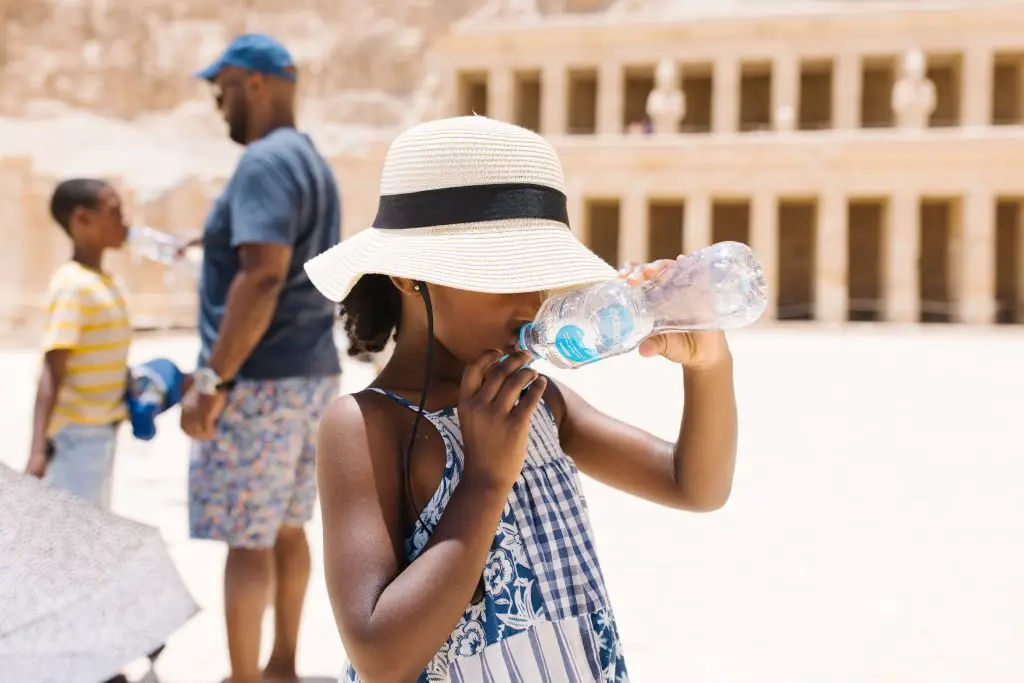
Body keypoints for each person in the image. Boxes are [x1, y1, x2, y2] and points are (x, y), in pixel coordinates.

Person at [305, 116, 738, 682]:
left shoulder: (540, 400)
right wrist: (485, 480)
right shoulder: (366, 426)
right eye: (505, 272)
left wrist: (710, 367)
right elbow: (379, 655)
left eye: (541, 276)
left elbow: (693, 485)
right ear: (410, 277)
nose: (533, 300)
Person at [182, 34, 342, 683]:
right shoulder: (308, 159)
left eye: (221, 91)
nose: (219, 107)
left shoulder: (263, 163)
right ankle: (282, 667)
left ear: (252, 83)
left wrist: (214, 378)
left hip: (259, 380)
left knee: (247, 538)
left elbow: (265, 275)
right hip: (312, 373)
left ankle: (244, 678)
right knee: (287, 527)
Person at [26, 179, 130, 507]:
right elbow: (52, 370)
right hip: (76, 437)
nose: (123, 222)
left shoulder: (106, 283)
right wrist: (37, 450)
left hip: (102, 432)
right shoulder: (73, 286)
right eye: (114, 213)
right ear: (82, 219)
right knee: (75, 543)